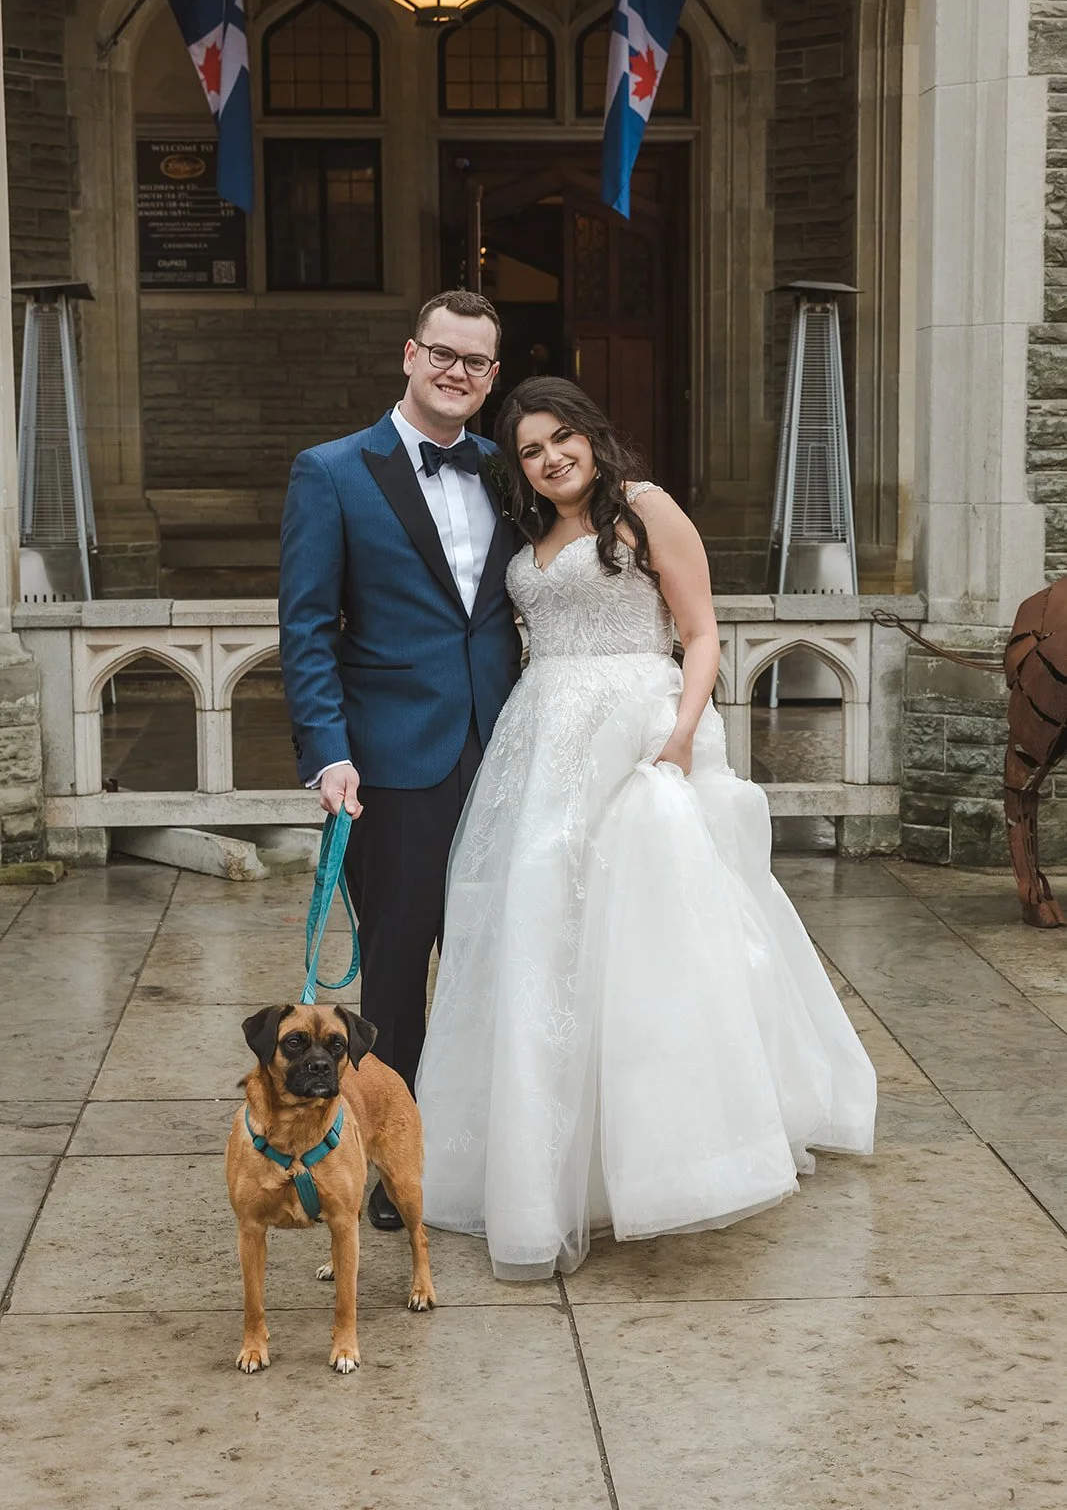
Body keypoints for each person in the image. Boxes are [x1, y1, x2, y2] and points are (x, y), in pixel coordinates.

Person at [415, 376, 877, 1280]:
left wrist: (675, 739)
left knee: (652, 938)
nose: (550, 460)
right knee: (537, 935)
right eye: (531, 452)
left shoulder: (645, 509)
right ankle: (540, 1165)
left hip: (636, 726)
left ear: (590, 433)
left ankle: (676, 1150)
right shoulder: (533, 533)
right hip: (540, 738)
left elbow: (699, 632)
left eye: (561, 440)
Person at [278, 290, 522, 1231]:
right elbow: (305, 628)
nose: (458, 373)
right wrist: (328, 755)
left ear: (492, 377)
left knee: (494, 957)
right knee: (393, 980)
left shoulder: (513, 467)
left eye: (477, 363)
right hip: (388, 763)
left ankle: (483, 1148)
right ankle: (390, 1165)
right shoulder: (332, 472)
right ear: (410, 356)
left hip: (506, 750)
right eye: (443, 354)